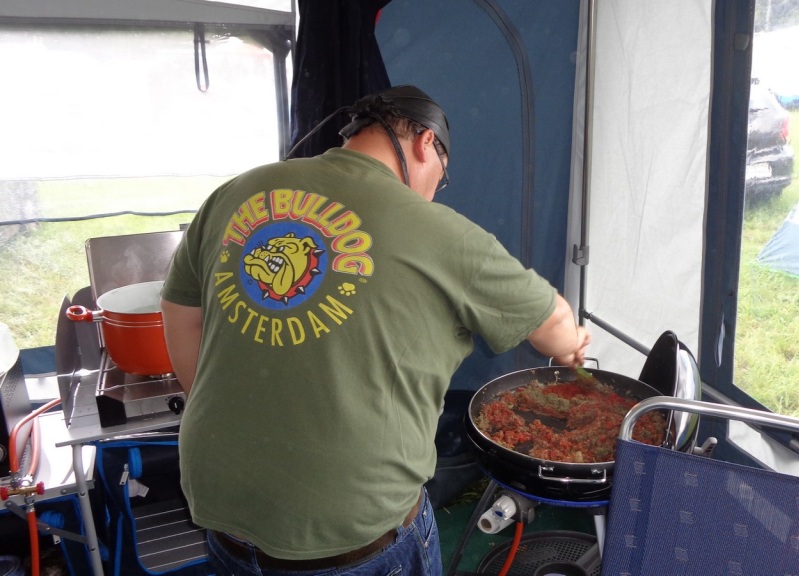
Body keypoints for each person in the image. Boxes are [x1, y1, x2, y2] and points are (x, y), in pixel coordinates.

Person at [159, 84, 591, 576]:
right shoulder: (441, 231)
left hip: (222, 501)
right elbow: (553, 324)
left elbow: (179, 311)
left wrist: (225, 411)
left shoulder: (238, 190)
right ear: (426, 143)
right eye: (440, 177)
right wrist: (573, 344)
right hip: (351, 524)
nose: (433, 192)